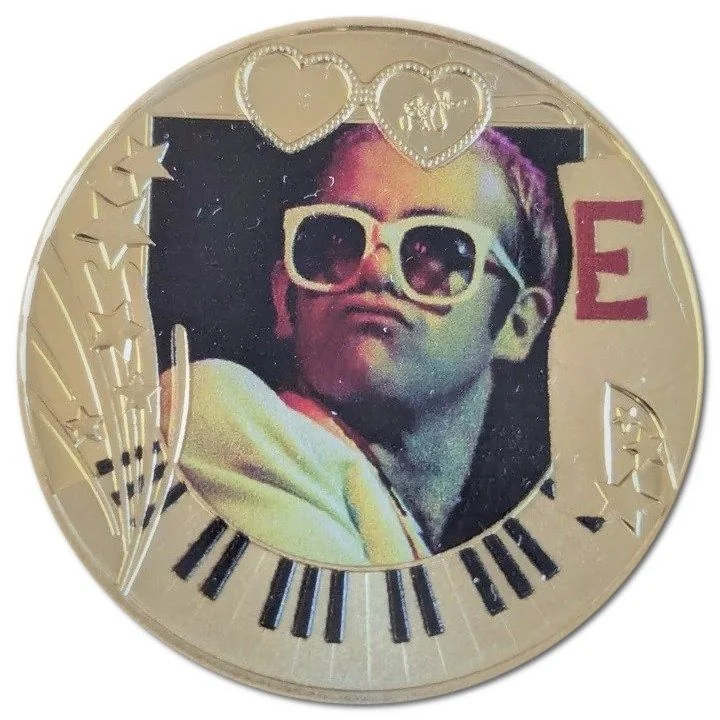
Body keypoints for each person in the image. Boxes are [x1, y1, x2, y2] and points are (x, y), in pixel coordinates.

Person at [160, 124, 565, 566]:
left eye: (439, 250)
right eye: (338, 241)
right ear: (284, 298)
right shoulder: (211, 411)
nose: (375, 269)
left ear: (518, 324)